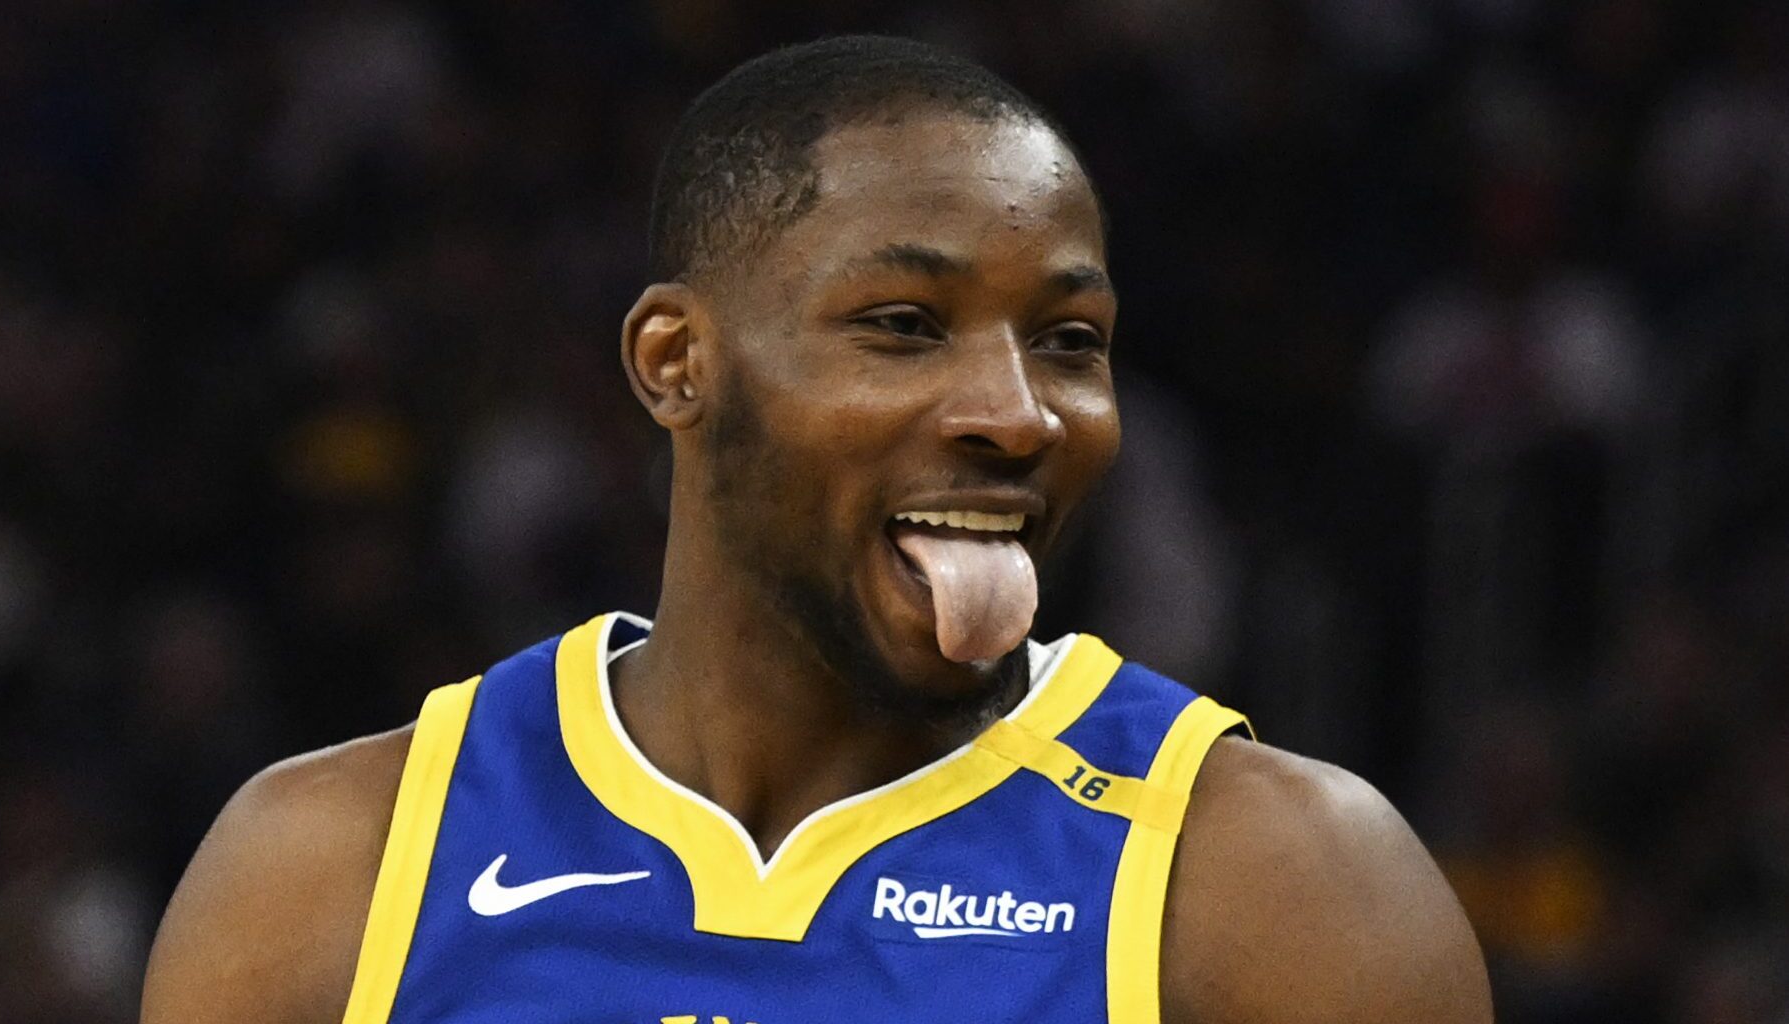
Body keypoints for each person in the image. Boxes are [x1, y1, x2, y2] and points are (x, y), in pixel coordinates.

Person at [139, 35, 1491, 1024]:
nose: (1020, 414)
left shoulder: (1281, 884)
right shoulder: (332, 869)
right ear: (677, 363)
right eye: (904, 325)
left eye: (1070, 341)